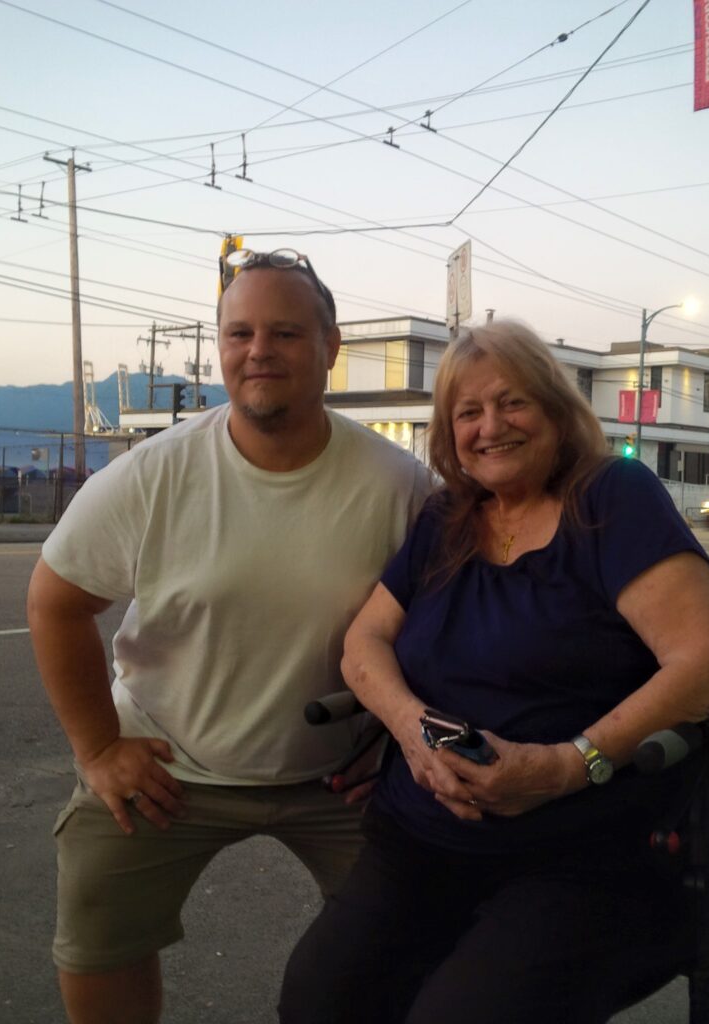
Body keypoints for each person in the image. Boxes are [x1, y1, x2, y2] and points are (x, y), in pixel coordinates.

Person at [279, 319, 709, 1024]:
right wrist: (411, 730)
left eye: (512, 402)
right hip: (423, 839)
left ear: (555, 411)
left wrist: (564, 766)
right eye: (468, 412)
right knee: (318, 1001)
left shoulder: (613, 498)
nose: (490, 426)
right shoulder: (447, 518)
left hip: (588, 854)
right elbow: (364, 641)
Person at [26, 248, 433, 1024]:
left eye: (285, 332)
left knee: (413, 938)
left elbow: (444, 622)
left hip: (338, 776)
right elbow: (55, 602)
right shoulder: (154, 474)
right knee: (98, 939)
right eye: (239, 333)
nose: (259, 351)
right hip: (167, 766)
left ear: (330, 346)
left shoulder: (399, 484)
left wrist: (398, 736)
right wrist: (99, 748)